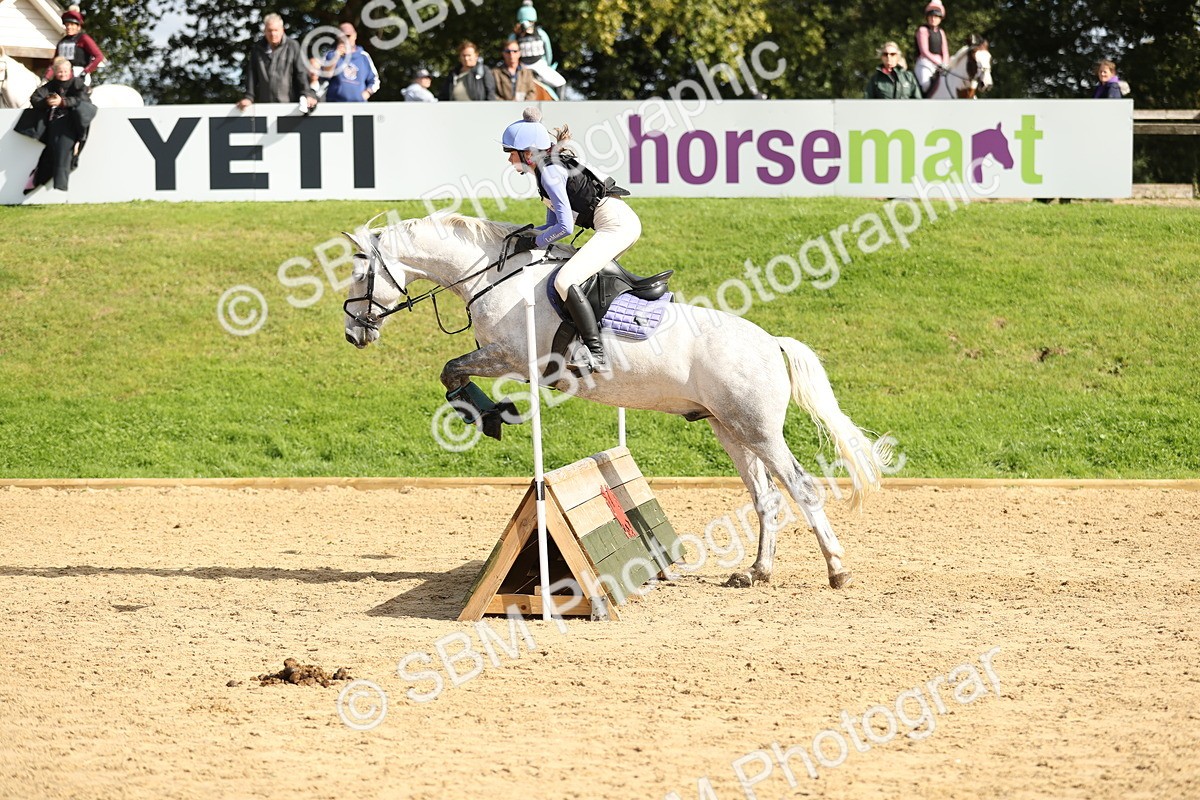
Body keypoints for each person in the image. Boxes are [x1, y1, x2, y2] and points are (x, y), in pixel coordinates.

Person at [502, 108, 638, 374]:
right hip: (613, 224)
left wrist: (534, 243)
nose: (508, 159)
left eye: (511, 152)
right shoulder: (546, 170)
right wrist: (527, 236)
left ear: (528, 153)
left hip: (616, 226)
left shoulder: (550, 173)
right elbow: (552, 225)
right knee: (570, 277)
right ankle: (582, 342)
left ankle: (596, 353)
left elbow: (565, 227)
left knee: (565, 281)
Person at [21, 57, 94, 193]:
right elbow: (35, 98)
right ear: (55, 72)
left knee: (63, 150)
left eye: (65, 71)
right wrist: (46, 102)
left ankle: (61, 184)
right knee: (50, 154)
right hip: (55, 125)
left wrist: (63, 102)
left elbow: (83, 99)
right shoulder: (50, 85)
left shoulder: (77, 83)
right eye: (60, 72)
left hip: (75, 124)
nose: (63, 74)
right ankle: (38, 181)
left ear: (70, 71)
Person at [237, 13, 316, 111]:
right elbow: (252, 74)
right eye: (270, 30)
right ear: (265, 31)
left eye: (276, 30)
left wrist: (307, 94)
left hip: (289, 106)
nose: (273, 34)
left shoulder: (293, 46)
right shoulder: (257, 49)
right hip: (265, 106)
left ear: (282, 30)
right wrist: (249, 97)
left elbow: (301, 73)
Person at [508, 1, 566, 91]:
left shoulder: (514, 36)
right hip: (531, 67)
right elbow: (548, 53)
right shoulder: (541, 34)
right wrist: (548, 64)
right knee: (561, 82)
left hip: (527, 67)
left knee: (561, 82)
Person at [319, 22, 380, 102]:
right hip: (335, 105)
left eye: (348, 36)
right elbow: (323, 76)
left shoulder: (364, 56)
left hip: (358, 106)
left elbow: (375, 80)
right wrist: (336, 56)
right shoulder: (330, 55)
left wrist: (366, 93)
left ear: (355, 35)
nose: (345, 39)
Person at [46, 6, 104, 85]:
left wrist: (86, 71)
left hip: (79, 75)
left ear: (78, 27)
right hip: (62, 76)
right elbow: (54, 63)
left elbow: (99, 56)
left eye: (72, 25)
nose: (69, 27)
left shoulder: (84, 39)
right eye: (67, 25)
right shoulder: (61, 42)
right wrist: (46, 77)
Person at [914, 0, 950, 98]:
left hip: (941, 65)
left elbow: (945, 51)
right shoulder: (922, 30)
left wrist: (945, 64)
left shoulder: (941, 32)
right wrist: (938, 63)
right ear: (927, 17)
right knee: (925, 85)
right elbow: (924, 51)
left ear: (940, 18)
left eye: (937, 16)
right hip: (925, 64)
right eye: (931, 16)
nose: (933, 19)